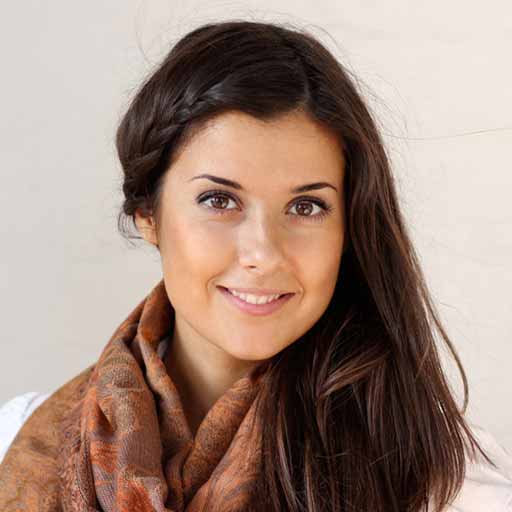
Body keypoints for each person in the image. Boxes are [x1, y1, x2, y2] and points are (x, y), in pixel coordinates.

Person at [0, 19, 510, 512]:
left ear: (348, 229)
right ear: (148, 216)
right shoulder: (18, 439)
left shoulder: (448, 482)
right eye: (219, 200)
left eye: (306, 207)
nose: (263, 252)